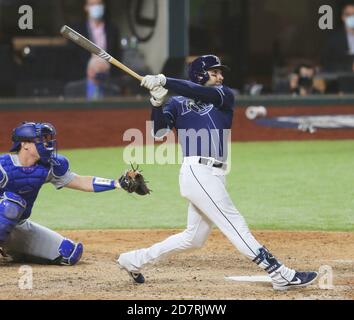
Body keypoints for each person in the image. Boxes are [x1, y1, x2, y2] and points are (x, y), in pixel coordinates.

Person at [117, 55, 318, 291]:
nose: (220, 76)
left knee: (193, 239)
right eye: (214, 72)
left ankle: (133, 260)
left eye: (220, 72)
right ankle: (280, 273)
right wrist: (157, 103)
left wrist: (164, 80)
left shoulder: (223, 95)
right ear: (200, 74)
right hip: (198, 172)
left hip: (215, 175)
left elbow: (198, 92)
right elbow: (159, 132)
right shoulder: (177, 103)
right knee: (235, 224)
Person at [0, 122, 145, 265]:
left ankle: (13, 250)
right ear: (25, 144)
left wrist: (116, 183)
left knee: (69, 253)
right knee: (10, 205)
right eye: (41, 140)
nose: (47, 143)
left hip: (17, 226)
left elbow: (80, 181)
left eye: (47, 139)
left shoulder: (48, 167)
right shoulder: (3, 166)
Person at [71, 0, 122, 77]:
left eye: (99, 4)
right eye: (92, 4)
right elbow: (74, 56)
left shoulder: (112, 29)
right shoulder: (78, 30)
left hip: (109, 77)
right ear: (86, 7)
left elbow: (117, 54)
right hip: (85, 78)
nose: (96, 7)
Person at [322, 2, 354, 72]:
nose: (352, 18)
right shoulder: (333, 38)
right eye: (348, 15)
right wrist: (349, 67)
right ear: (343, 17)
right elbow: (327, 62)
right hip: (342, 79)